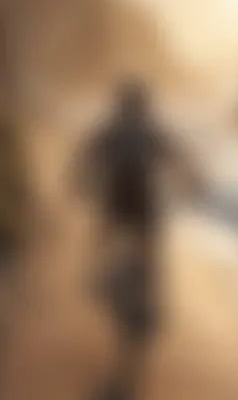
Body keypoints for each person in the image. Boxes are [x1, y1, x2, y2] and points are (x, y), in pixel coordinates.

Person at [75, 77, 205, 282]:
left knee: (108, 233)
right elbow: (174, 154)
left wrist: (79, 181)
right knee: (146, 240)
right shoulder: (149, 130)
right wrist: (194, 179)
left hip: (118, 193)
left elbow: (89, 155)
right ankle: (137, 271)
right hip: (140, 194)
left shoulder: (112, 129)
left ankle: (97, 267)